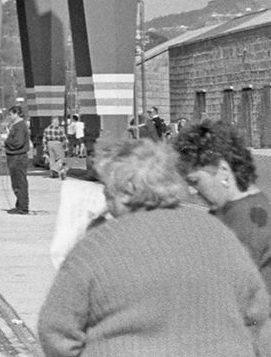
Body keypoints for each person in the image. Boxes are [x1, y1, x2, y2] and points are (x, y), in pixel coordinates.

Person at [37, 139, 270, 357]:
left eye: (108, 191)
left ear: (126, 192)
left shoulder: (96, 247)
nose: (106, 200)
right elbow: (257, 313)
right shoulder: (218, 233)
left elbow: (56, 330)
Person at [176, 120, 271, 292]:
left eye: (195, 181)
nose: (191, 190)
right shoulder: (245, 209)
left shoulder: (246, 221)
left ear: (224, 171)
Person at [3, 106, 31, 213]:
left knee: (20, 182)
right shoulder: (16, 125)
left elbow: (18, 142)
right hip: (14, 156)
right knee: (16, 182)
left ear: (16, 114)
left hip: (18, 157)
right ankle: (19, 204)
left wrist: (6, 142)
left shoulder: (20, 126)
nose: (9, 117)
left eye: (10, 114)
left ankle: (23, 207)